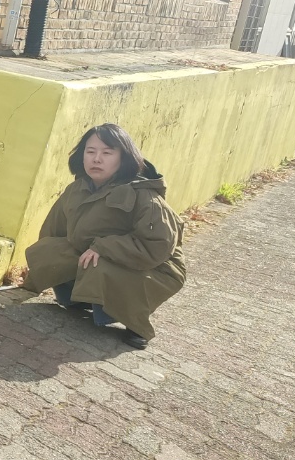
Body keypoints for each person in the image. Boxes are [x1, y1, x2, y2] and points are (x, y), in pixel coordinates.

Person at [23, 124, 185, 349]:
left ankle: (135, 324)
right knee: (49, 250)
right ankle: (80, 299)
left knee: (98, 267)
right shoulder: (78, 188)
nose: (96, 159)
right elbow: (53, 230)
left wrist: (104, 247)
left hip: (155, 267)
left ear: (124, 158)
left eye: (107, 153)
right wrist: (37, 275)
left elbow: (157, 246)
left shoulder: (144, 195)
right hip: (97, 255)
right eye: (90, 152)